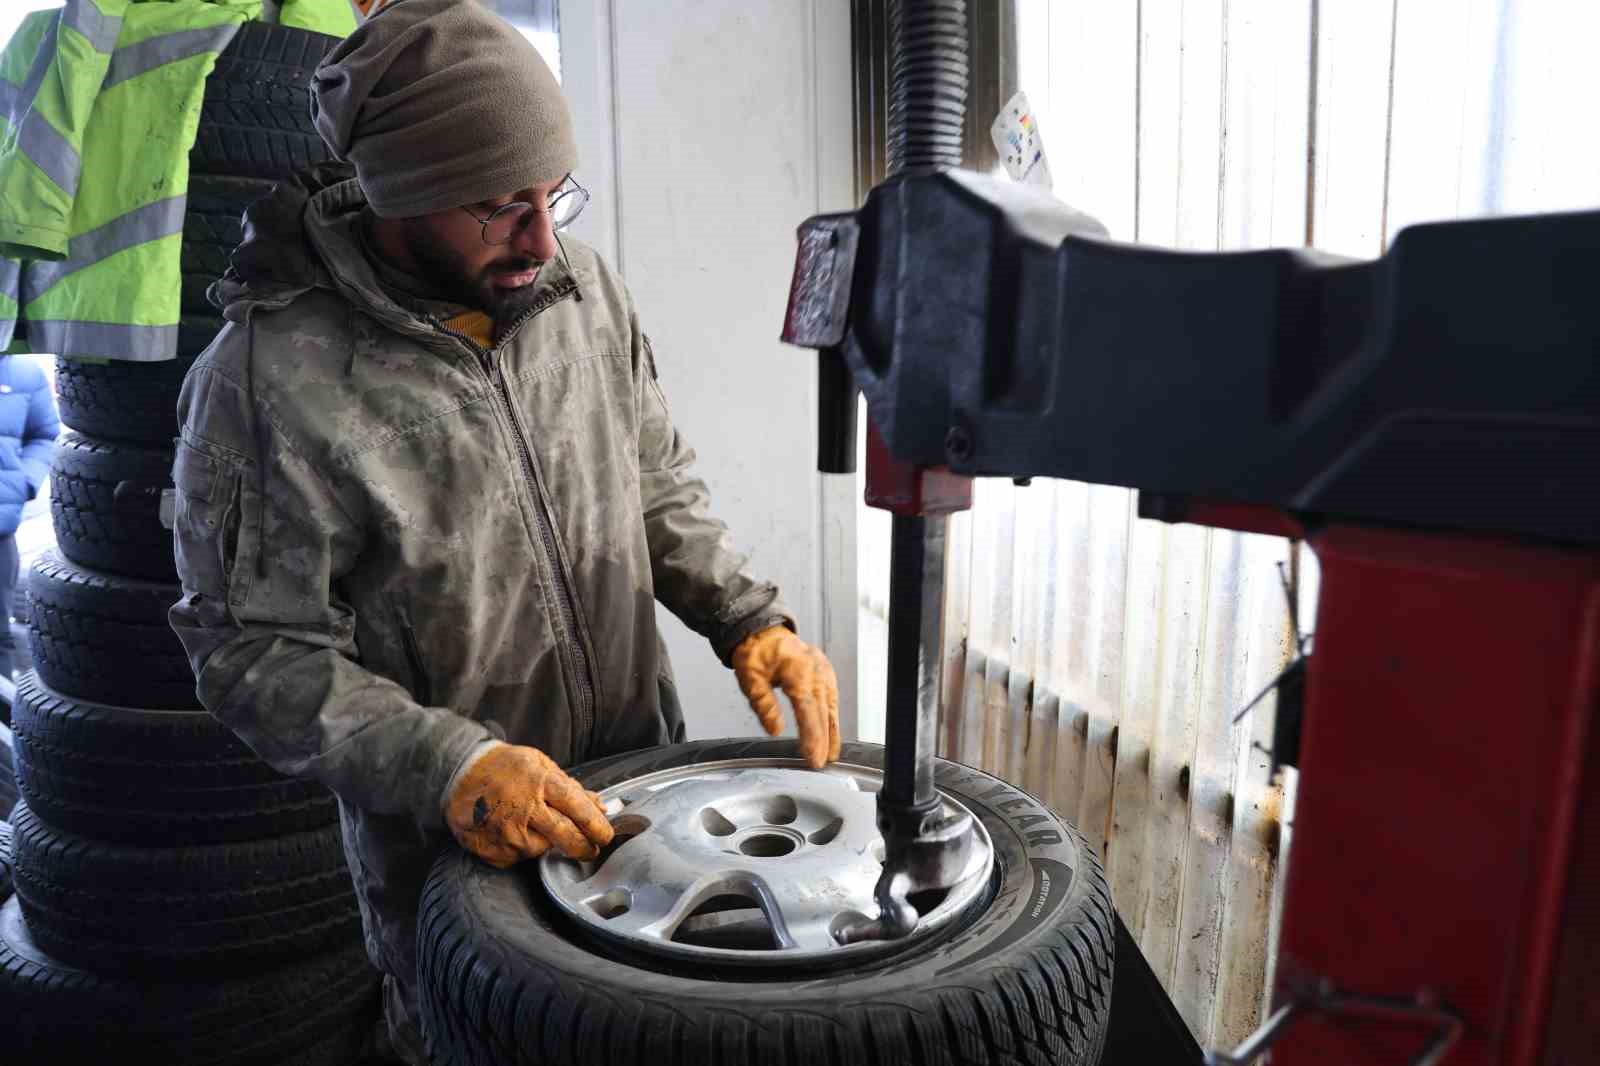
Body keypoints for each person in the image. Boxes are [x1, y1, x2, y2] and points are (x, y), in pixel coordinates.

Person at [167, 1, 840, 1060]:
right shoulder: (267, 384)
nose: (540, 236)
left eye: (551, 193)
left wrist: (747, 617)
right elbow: (253, 652)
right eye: (496, 207)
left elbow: (651, 477)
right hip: (451, 860)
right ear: (399, 194)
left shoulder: (580, 289)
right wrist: (449, 765)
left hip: (636, 809)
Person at [0, 351, 57, 678]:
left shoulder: (23, 373)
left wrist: (23, 482)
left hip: (1, 533)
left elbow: (44, 434)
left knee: (0, 638)